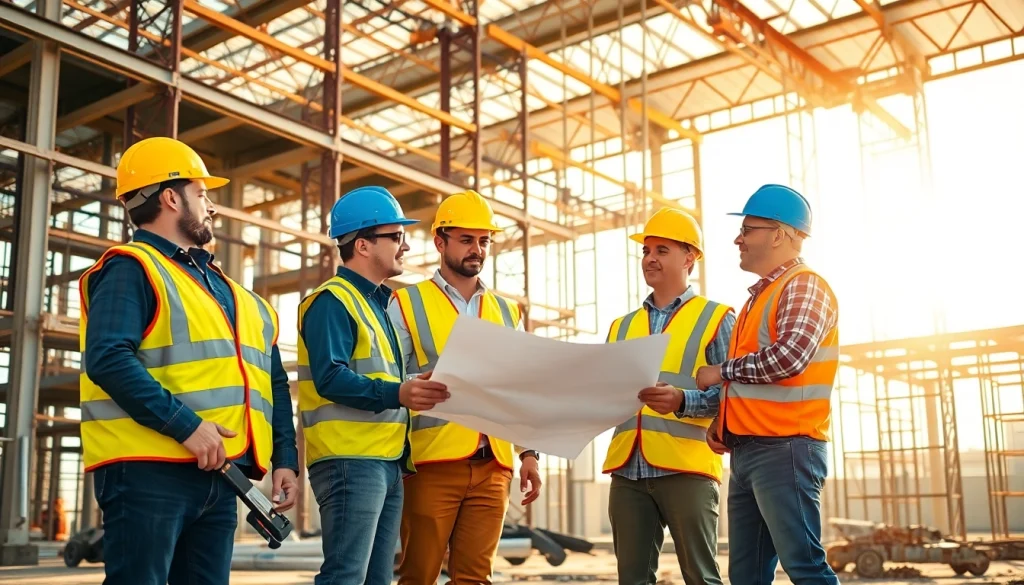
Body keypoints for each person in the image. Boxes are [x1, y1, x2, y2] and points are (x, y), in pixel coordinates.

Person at [78, 136, 299, 585]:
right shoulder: (131, 266)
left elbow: (271, 382)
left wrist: (284, 459)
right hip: (148, 474)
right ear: (171, 197)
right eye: (203, 194)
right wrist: (187, 426)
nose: (212, 206)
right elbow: (107, 358)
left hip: (220, 477)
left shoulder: (238, 297)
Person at [387, 190, 543, 585]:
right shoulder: (406, 303)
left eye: (484, 240)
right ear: (440, 242)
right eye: (467, 239)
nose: (477, 249)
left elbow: (519, 387)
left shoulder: (508, 311)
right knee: (417, 576)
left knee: (475, 579)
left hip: (494, 464)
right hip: (431, 463)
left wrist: (529, 453)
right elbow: (387, 379)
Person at [296, 186, 450, 585]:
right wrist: (398, 392)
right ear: (363, 245)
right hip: (349, 460)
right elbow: (330, 377)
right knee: (345, 576)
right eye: (396, 236)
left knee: (377, 578)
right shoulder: (332, 301)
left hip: (386, 460)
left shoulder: (379, 304)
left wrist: (412, 385)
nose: (406, 246)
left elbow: (379, 375)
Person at [696, 184, 840, 585]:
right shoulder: (759, 297)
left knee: (806, 568)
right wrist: (724, 420)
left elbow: (789, 358)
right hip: (749, 450)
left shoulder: (804, 285)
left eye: (748, 229)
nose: (738, 239)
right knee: (746, 575)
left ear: (778, 234)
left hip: (786, 449)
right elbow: (756, 379)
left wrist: (719, 371)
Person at [602, 208, 735, 585]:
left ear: (689, 258)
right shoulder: (621, 326)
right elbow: (604, 393)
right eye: (646, 251)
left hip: (687, 469)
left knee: (701, 577)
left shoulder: (717, 318)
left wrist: (683, 401)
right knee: (632, 579)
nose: (650, 259)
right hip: (628, 470)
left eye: (661, 249)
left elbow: (734, 395)